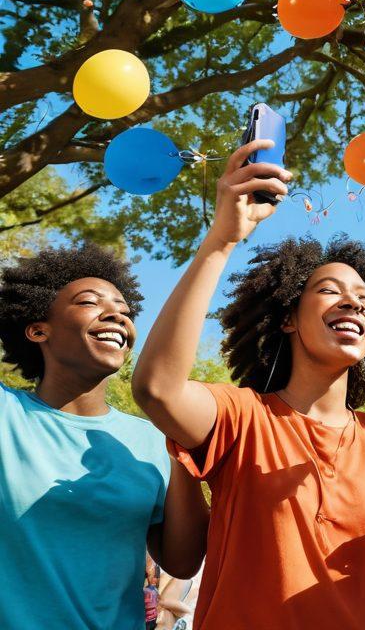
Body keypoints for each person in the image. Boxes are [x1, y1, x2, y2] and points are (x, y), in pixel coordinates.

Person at [132, 140, 365, 630]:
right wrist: (222, 240)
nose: (354, 303)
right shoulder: (240, 416)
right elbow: (157, 390)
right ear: (287, 320)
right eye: (329, 290)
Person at [0, 243, 209, 630]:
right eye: (89, 302)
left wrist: (178, 439)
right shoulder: (7, 413)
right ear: (37, 329)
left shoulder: (156, 441)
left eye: (125, 311)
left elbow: (183, 562)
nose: (117, 315)